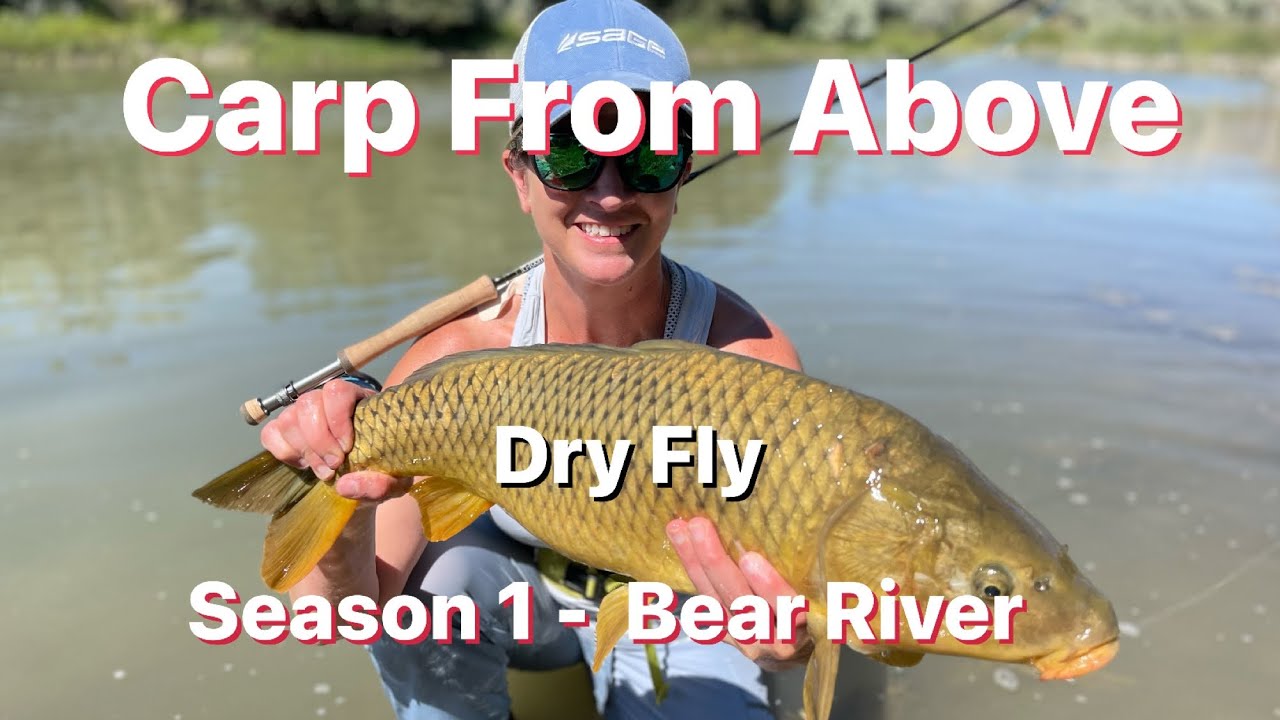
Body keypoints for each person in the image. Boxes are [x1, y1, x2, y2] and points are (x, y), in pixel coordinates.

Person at [259, 0, 813, 717]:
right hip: (515, 596)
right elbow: (334, 612)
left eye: (646, 155)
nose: (610, 194)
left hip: (681, 605)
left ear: (680, 173)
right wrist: (342, 489)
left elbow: (807, 598)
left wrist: (790, 640)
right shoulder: (460, 357)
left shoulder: (752, 361)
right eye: (572, 152)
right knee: (429, 603)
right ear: (519, 174)